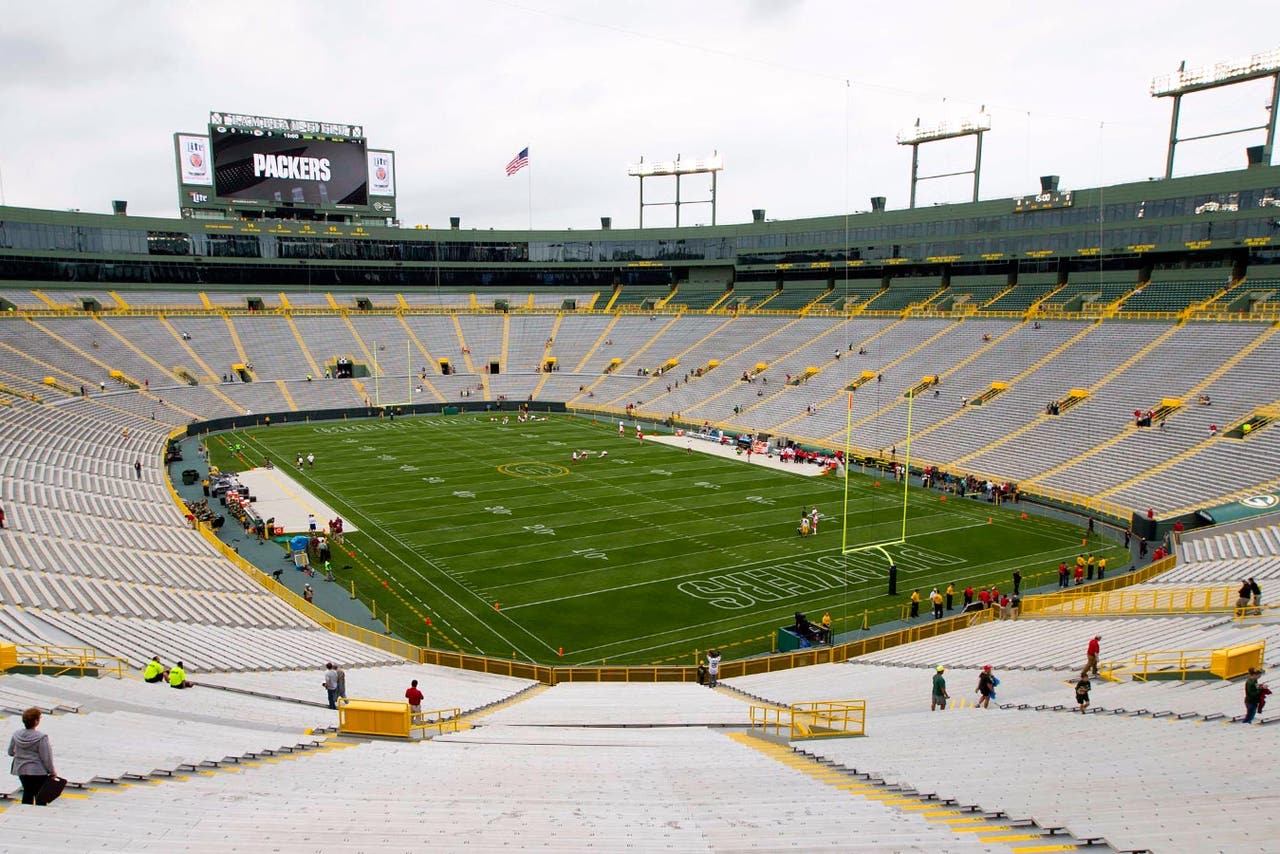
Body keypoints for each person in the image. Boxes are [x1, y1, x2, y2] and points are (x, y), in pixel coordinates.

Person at [8, 707, 56, 805]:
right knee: (40, 797)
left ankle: (25, 812)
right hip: (38, 772)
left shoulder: (16, 734)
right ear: (36, 721)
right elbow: (46, 757)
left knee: (27, 793)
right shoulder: (41, 737)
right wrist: (52, 771)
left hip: (21, 770)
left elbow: (10, 752)